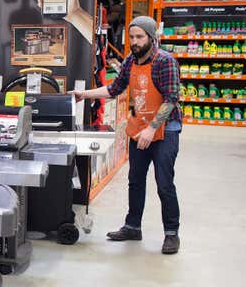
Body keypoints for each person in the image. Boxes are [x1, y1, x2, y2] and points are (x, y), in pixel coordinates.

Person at [71, 16, 182, 255]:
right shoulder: (131, 60)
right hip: (138, 128)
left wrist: (152, 128)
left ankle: (172, 233)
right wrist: (85, 94)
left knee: (164, 184)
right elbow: (114, 89)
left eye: (140, 37)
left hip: (164, 130)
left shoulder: (166, 62)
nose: (134, 41)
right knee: (135, 181)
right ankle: (133, 226)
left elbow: (172, 99)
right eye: (132, 36)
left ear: (152, 37)